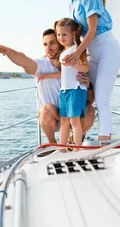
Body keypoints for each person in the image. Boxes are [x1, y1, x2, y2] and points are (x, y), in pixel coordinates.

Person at [0, 28, 95, 144]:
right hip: (54, 117)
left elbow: (90, 100)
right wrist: (7, 51)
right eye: (45, 44)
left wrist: (88, 85)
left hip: (74, 115)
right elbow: (23, 59)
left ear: (61, 42)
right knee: (45, 110)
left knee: (90, 110)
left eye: (52, 43)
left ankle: (74, 140)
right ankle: (52, 143)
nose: (48, 48)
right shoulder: (41, 65)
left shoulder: (77, 64)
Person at [62, 0, 120, 141]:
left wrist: (75, 53)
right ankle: (81, 135)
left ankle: (104, 141)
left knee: (102, 98)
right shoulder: (73, 0)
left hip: (106, 48)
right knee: (89, 94)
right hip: (92, 52)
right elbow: (78, 32)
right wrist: (71, 53)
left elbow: (93, 29)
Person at [40, 18, 89, 152]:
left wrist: (74, 63)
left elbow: (85, 67)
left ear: (73, 34)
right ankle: (62, 149)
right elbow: (63, 73)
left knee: (74, 121)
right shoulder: (62, 53)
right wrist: (47, 76)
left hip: (75, 89)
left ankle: (76, 149)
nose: (61, 38)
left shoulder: (77, 49)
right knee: (64, 121)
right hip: (65, 91)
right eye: (59, 35)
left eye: (64, 35)